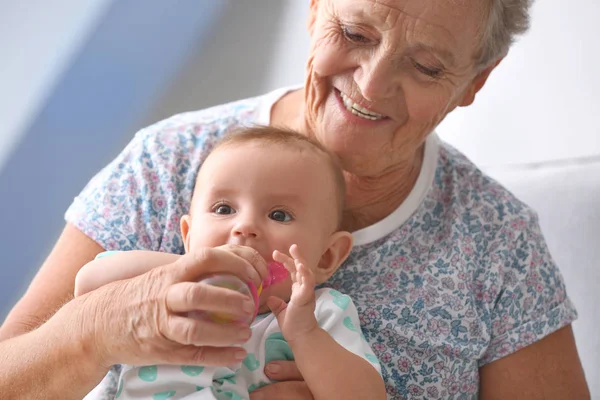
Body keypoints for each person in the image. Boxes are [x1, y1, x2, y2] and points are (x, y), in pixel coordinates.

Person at [0, 0, 590, 399]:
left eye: (427, 66)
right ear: (314, 8)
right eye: (355, 34)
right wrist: (98, 327)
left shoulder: (495, 238)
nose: (371, 84)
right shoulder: (168, 163)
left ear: (475, 81)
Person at [74, 127, 385, 400]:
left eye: (279, 215)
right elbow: (88, 283)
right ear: (188, 234)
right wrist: (187, 268)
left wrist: (305, 335)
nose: (245, 227)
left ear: (326, 256)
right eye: (223, 209)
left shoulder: (320, 314)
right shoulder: (162, 281)